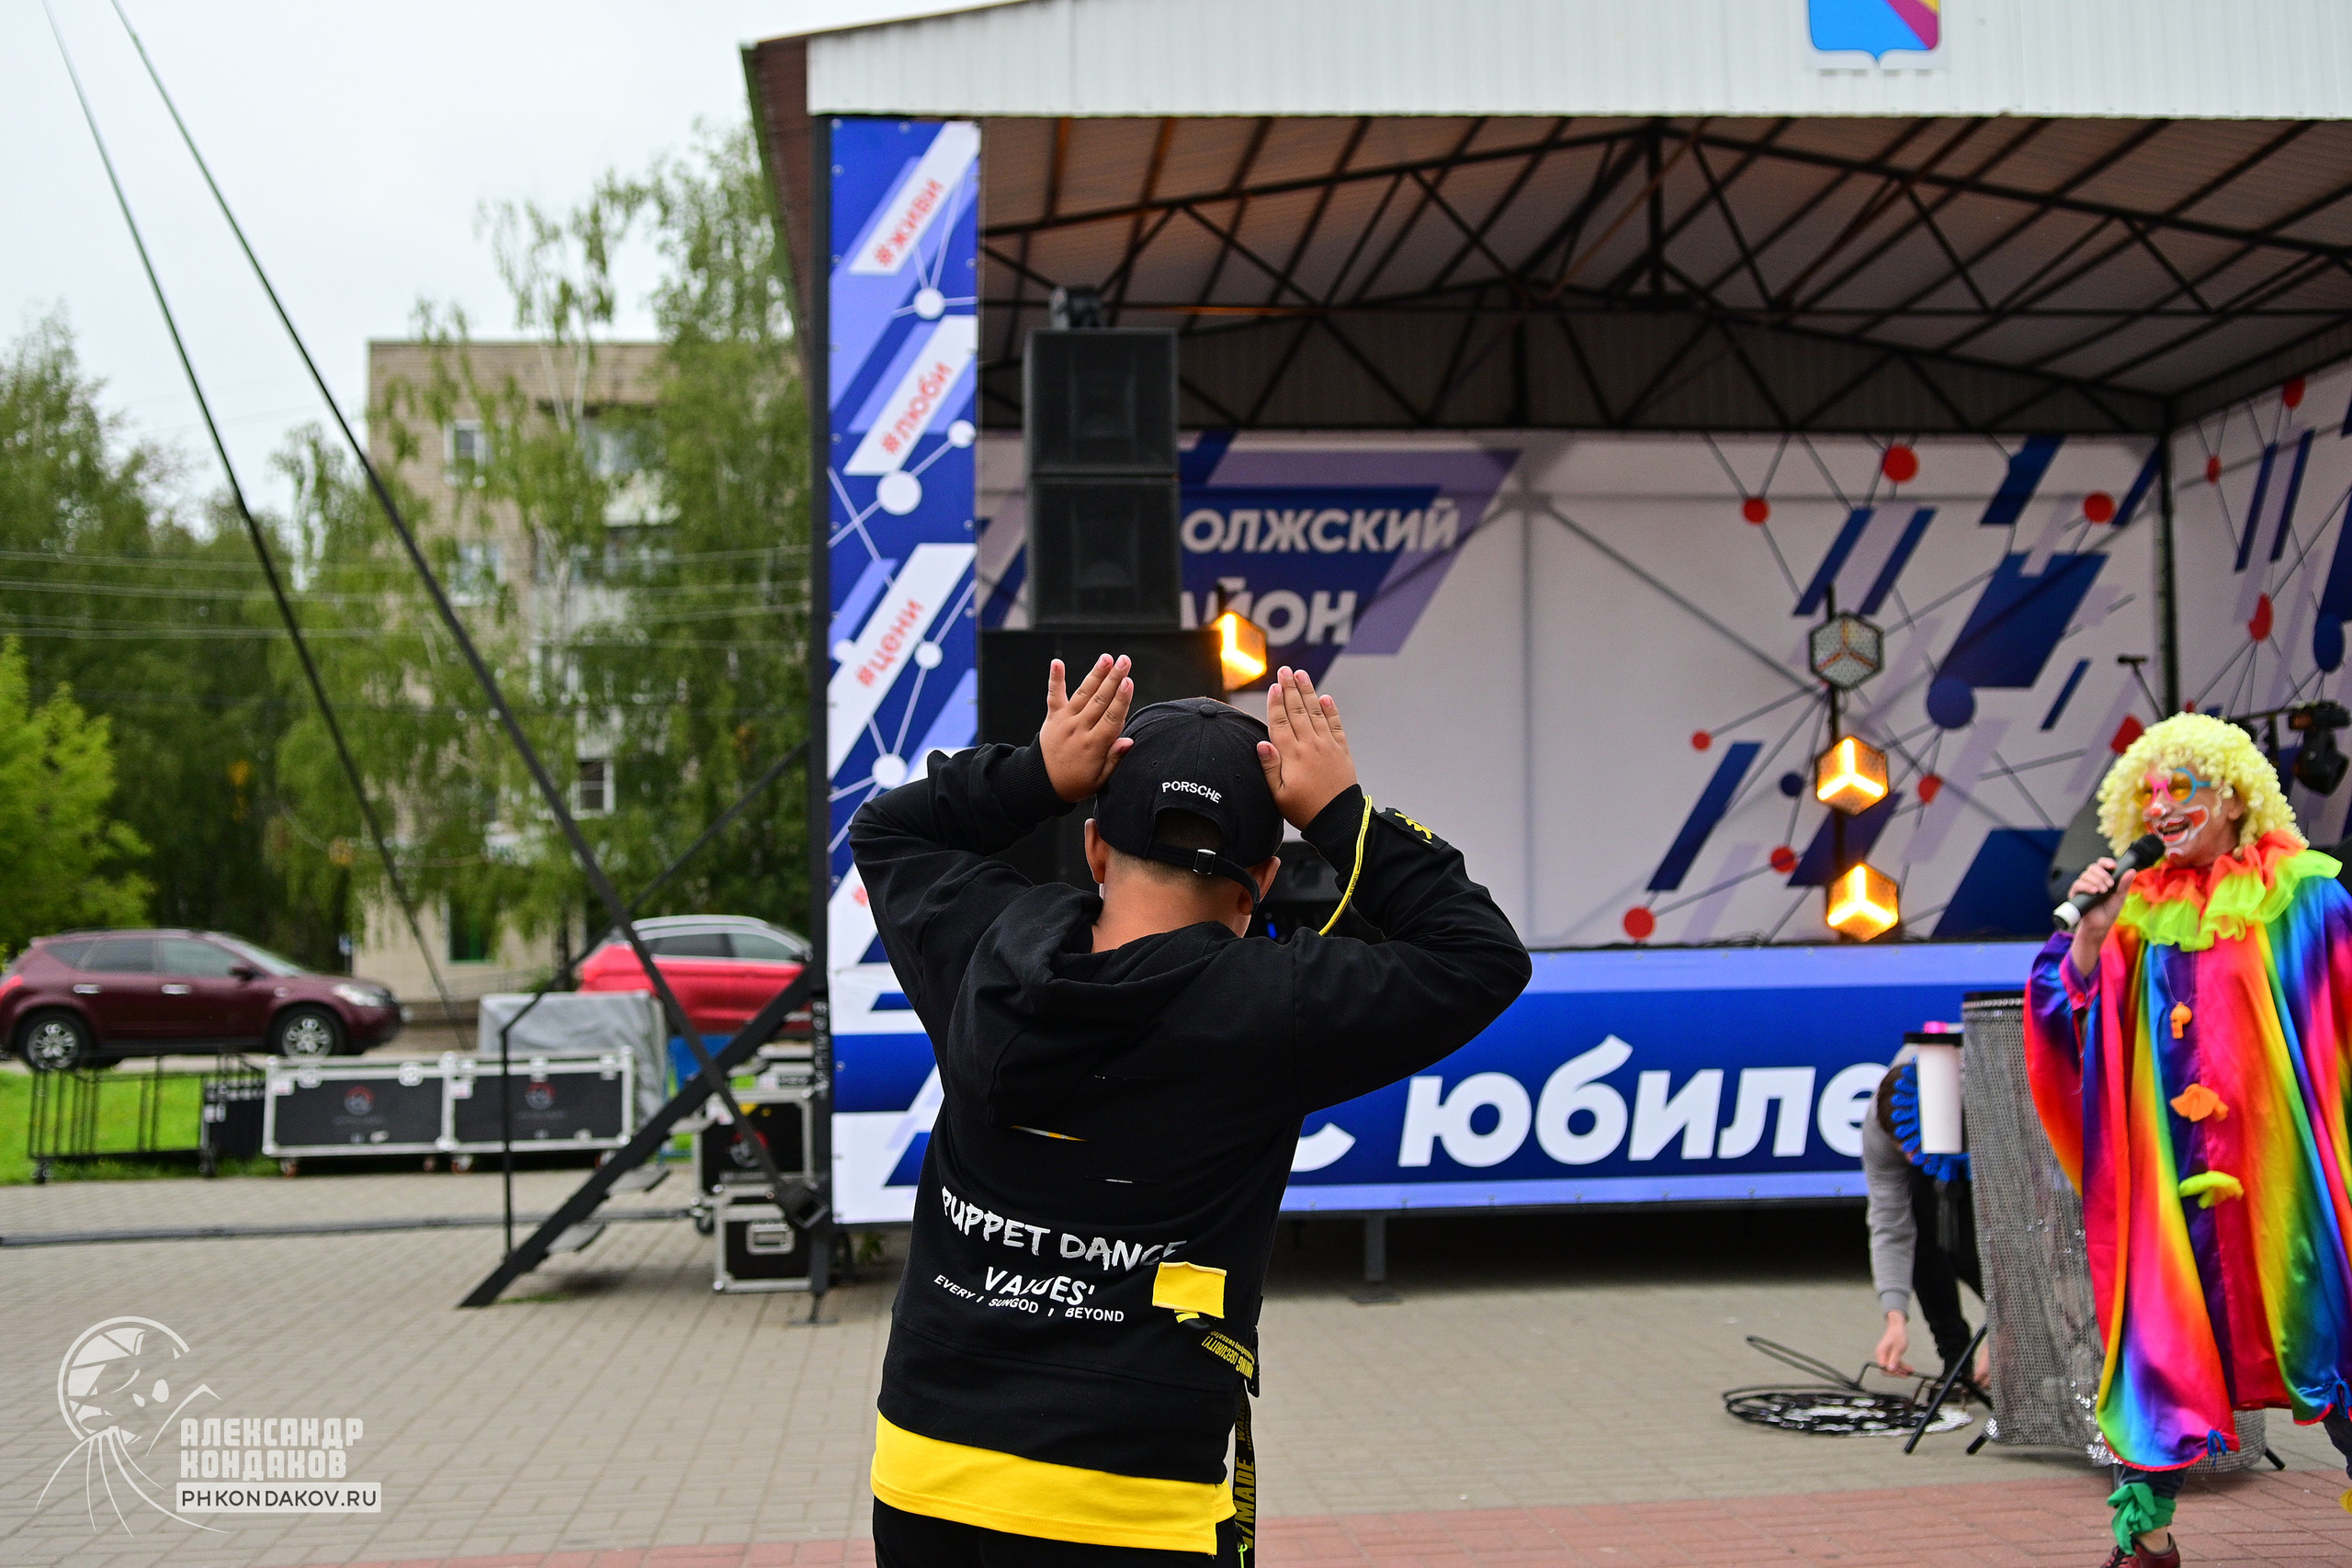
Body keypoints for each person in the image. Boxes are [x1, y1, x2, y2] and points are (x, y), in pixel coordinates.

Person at [848, 656, 1531, 1564]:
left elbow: (886, 827)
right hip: (1136, 1502)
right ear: (1262, 876)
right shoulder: (1276, 1006)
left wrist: (1036, 774)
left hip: (928, 1477)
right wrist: (1341, 814)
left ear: (1096, 846)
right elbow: (1480, 955)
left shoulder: (983, 945)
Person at [2028, 713, 2352, 1567]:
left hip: (2286, 1187)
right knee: (2159, 1351)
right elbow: (2071, 1021)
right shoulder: (2134, 911)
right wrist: (2090, 935)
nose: (2163, 807)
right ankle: (2147, 1543)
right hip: (2171, 1192)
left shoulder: (2307, 897)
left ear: (2236, 796)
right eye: (2151, 793)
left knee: (2334, 1333)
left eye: (2184, 786)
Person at [1863, 1050, 1984, 1385]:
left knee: (1968, 1248)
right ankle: (1956, 1359)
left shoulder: (1987, 1110)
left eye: (1914, 1148)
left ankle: (2031, 1341)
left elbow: (2024, 1230)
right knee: (1923, 1238)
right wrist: (1895, 1319)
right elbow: (1891, 1229)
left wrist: (2009, 1333)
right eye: (1900, 1148)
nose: (1908, 1157)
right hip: (1945, 1137)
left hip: (1985, 1135)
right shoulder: (1880, 1125)